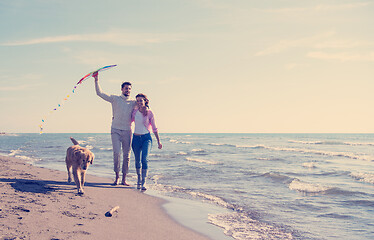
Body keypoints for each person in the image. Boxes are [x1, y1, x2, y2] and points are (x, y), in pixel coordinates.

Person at [93, 71, 136, 186]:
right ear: (122, 89)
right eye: (126, 88)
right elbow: (99, 93)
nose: (128, 90)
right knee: (117, 153)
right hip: (115, 130)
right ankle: (116, 178)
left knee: (127, 155)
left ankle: (124, 179)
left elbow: (144, 106)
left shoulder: (133, 102)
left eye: (129, 89)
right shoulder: (115, 99)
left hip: (127, 131)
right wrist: (96, 79)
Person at [131, 93, 162, 190]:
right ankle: (139, 179)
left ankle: (143, 182)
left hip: (146, 138)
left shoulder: (149, 113)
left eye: (141, 100)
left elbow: (154, 128)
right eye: (138, 101)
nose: (139, 102)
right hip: (135, 138)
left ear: (145, 101)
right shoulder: (134, 112)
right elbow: (128, 121)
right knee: (137, 161)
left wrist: (158, 141)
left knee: (144, 159)